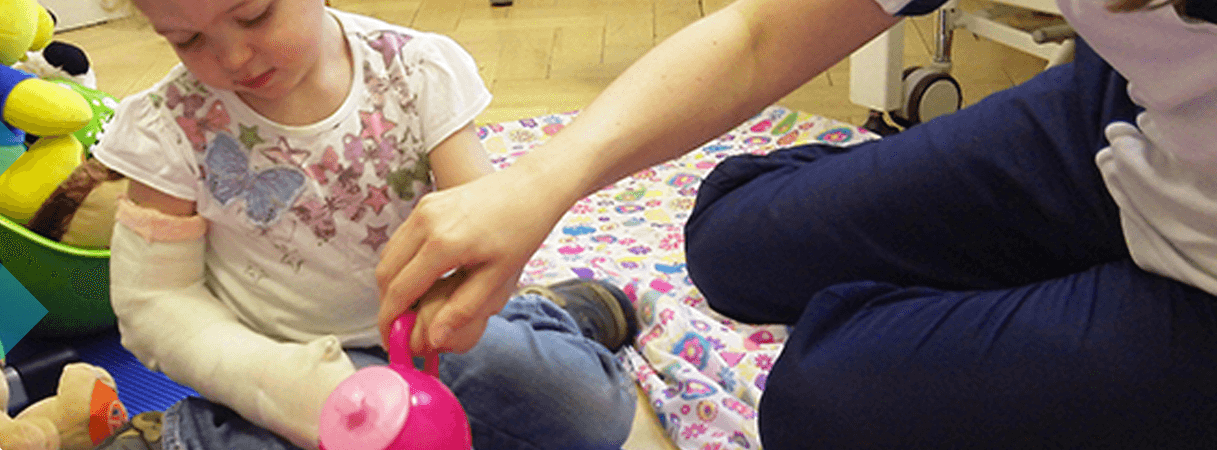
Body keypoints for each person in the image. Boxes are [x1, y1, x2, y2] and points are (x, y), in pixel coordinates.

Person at [376, 0, 1217, 447]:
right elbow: (758, 33)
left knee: (823, 400)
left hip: (1200, 263)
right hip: (1129, 116)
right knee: (730, 238)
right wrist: (540, 183)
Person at [93, 0, 639, 448]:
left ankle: (548, 312)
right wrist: (280, 386)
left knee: (593, 415)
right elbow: (156, 304)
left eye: (255, 14)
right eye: (186, 40)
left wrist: (472, 295)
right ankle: (175, 433)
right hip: (284, 364)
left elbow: (483, 222)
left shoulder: (415, 71)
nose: (232, 57)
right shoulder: (164, 126)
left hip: (428, 339)